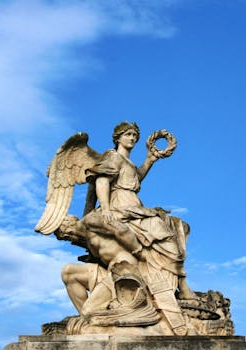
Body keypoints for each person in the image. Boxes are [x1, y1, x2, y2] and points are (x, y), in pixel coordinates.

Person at [61, 122, 195, 318]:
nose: (132, 138)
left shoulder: (127, 162)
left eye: (134, 135)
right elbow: (101, 181)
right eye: (128, 134)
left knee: (175, 227)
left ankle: (178, 285)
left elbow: (135, 178)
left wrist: (150, 160)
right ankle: (182, 287)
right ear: (118, 138)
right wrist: (106, 209)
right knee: (165, 235)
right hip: (121, 206)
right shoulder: (112, 156)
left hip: (134, 205)